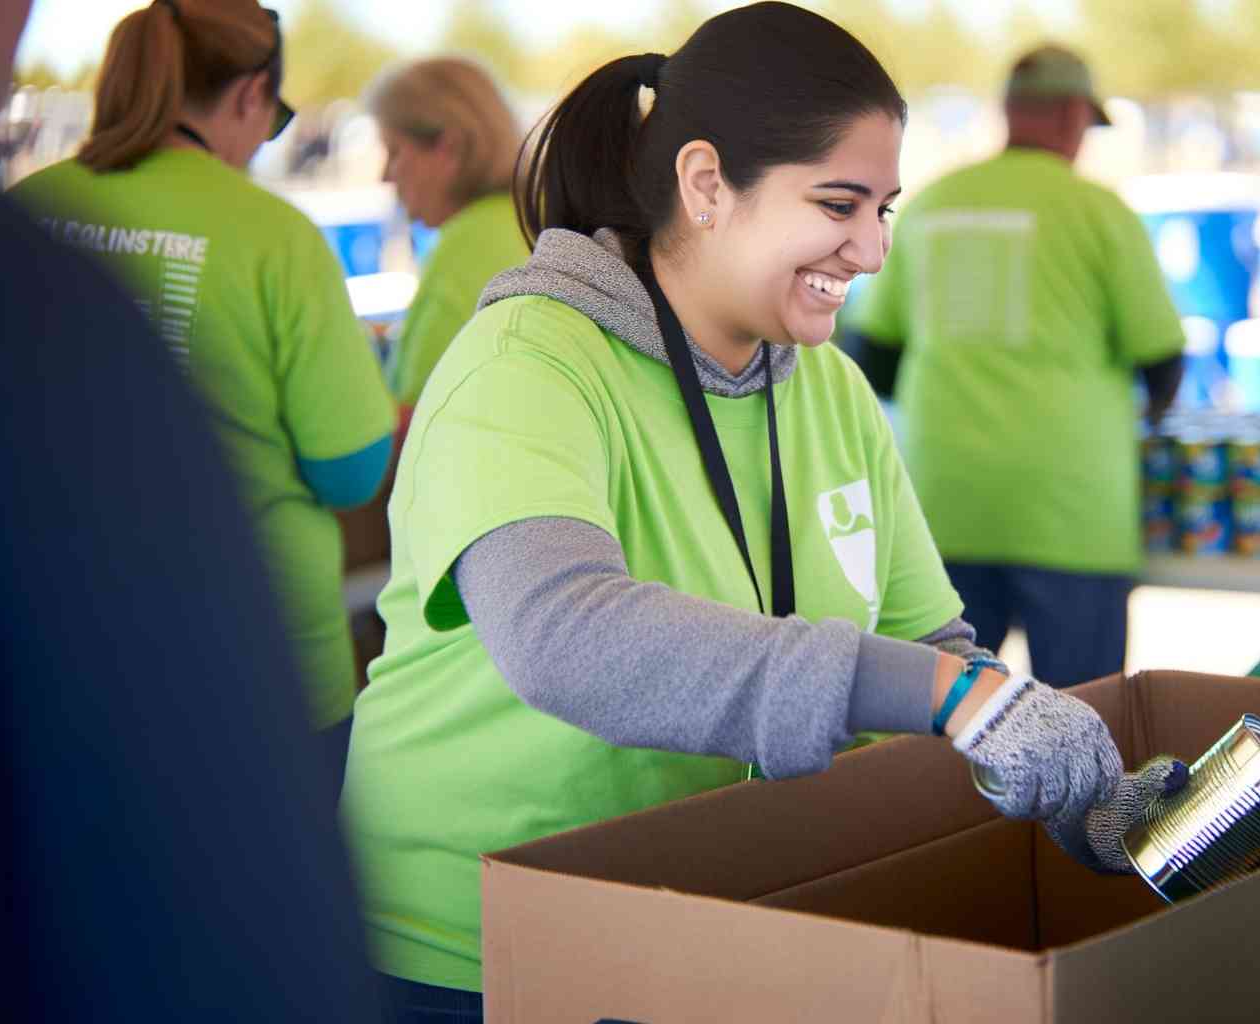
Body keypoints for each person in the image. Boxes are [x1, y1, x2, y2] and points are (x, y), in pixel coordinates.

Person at [338, 6, 1177, 1018]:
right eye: (838, 203)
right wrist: (953, 695)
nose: (872, 250)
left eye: (885, 209)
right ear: (705, 185)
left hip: (706, 924)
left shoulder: (830, 389)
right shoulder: (526, 364)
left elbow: (929, 644)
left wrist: (1066, 782)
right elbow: (562, 634)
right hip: (473, 951)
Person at [0, 2, 380, 1017]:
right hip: (248, 656)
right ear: (250, 94)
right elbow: (350, 469)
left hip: (45, 652)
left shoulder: (33, 212)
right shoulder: (274, 235)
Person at [846, 45, 1184, 686]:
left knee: (944, 720)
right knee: (1084, 716)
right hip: (1072, 512)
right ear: (1073, 115)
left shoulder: (932, 203)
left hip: (944, 504)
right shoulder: (1099, 210)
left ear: (1009, 110)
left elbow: (877, 357)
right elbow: (1161, 361)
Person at [366, 56, 530, 409]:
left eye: (394, 152)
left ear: (450, 146)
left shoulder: (472, 241)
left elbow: (417, 415)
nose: (386, 175)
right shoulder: (523, 218)